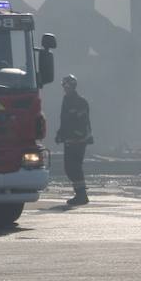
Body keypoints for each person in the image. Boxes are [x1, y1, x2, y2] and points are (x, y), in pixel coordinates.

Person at [55, 74, 92, 206]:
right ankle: (80, 194)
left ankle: (81, 195)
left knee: (74, 167)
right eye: (63, 85)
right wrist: (60, 133)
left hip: (78, 140)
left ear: (72, 86)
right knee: (69, 168)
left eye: (67, 85)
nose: (65, 88)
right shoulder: (66, 100)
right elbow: (64, 120)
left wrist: (76, 136)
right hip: (69, 139)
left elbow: (83, 122)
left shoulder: (80, 101)